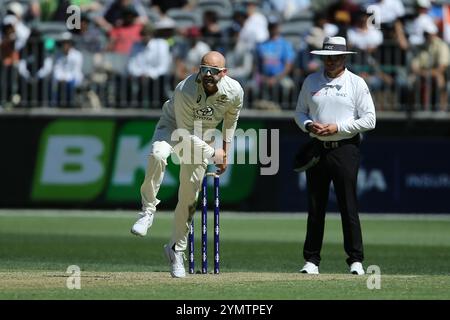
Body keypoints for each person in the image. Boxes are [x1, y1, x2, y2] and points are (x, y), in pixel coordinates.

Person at [130, 51, 244, 278]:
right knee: (158, 154)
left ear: (224, 73)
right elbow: (183, 134)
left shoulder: (234, 91)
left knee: (189, 198)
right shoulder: (185, 89)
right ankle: (148, 210)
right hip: (174, 127)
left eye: (214, 71)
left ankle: (175, 250)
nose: (208, 74)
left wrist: (226, 152)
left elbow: (231, 120)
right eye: (204, 69)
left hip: (205, 134)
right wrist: (214, 153)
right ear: (198, 70)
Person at [294, 36, 376, 275]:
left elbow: (370, 120)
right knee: (315, 205)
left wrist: (337, 128)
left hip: (345, 149)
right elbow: (299, 113)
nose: (331, 62)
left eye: (336, 57)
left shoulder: (356, 83)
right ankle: (311, 260)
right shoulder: (311, 81)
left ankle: (355, 260)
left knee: (348, 205)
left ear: (344, 58)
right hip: (318, 148)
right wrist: (309, 125)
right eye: (327, 57)